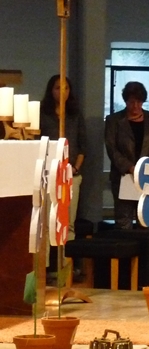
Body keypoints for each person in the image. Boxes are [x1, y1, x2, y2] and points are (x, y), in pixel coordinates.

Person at [104, 81, 149, 230]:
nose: (136, 106)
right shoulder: (114, 120)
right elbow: (112, 149)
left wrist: (148, 169)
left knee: (146, 219)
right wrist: (130, 167)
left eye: (139, 102)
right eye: (132, 102)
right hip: (123, 176)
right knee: (123, 221)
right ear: (126, 101)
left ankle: (145, 247)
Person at [40, 74, 86, 241]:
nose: (62, 92)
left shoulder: (75, 115)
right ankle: (45, 258)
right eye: (58, 88)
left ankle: (67, 257)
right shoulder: (43, 114)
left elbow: (83, 145)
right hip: (48, 174)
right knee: (46, 222)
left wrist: (75, 168)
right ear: (51, 90)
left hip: (71, 174)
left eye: (66, 88)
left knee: (68, 222)